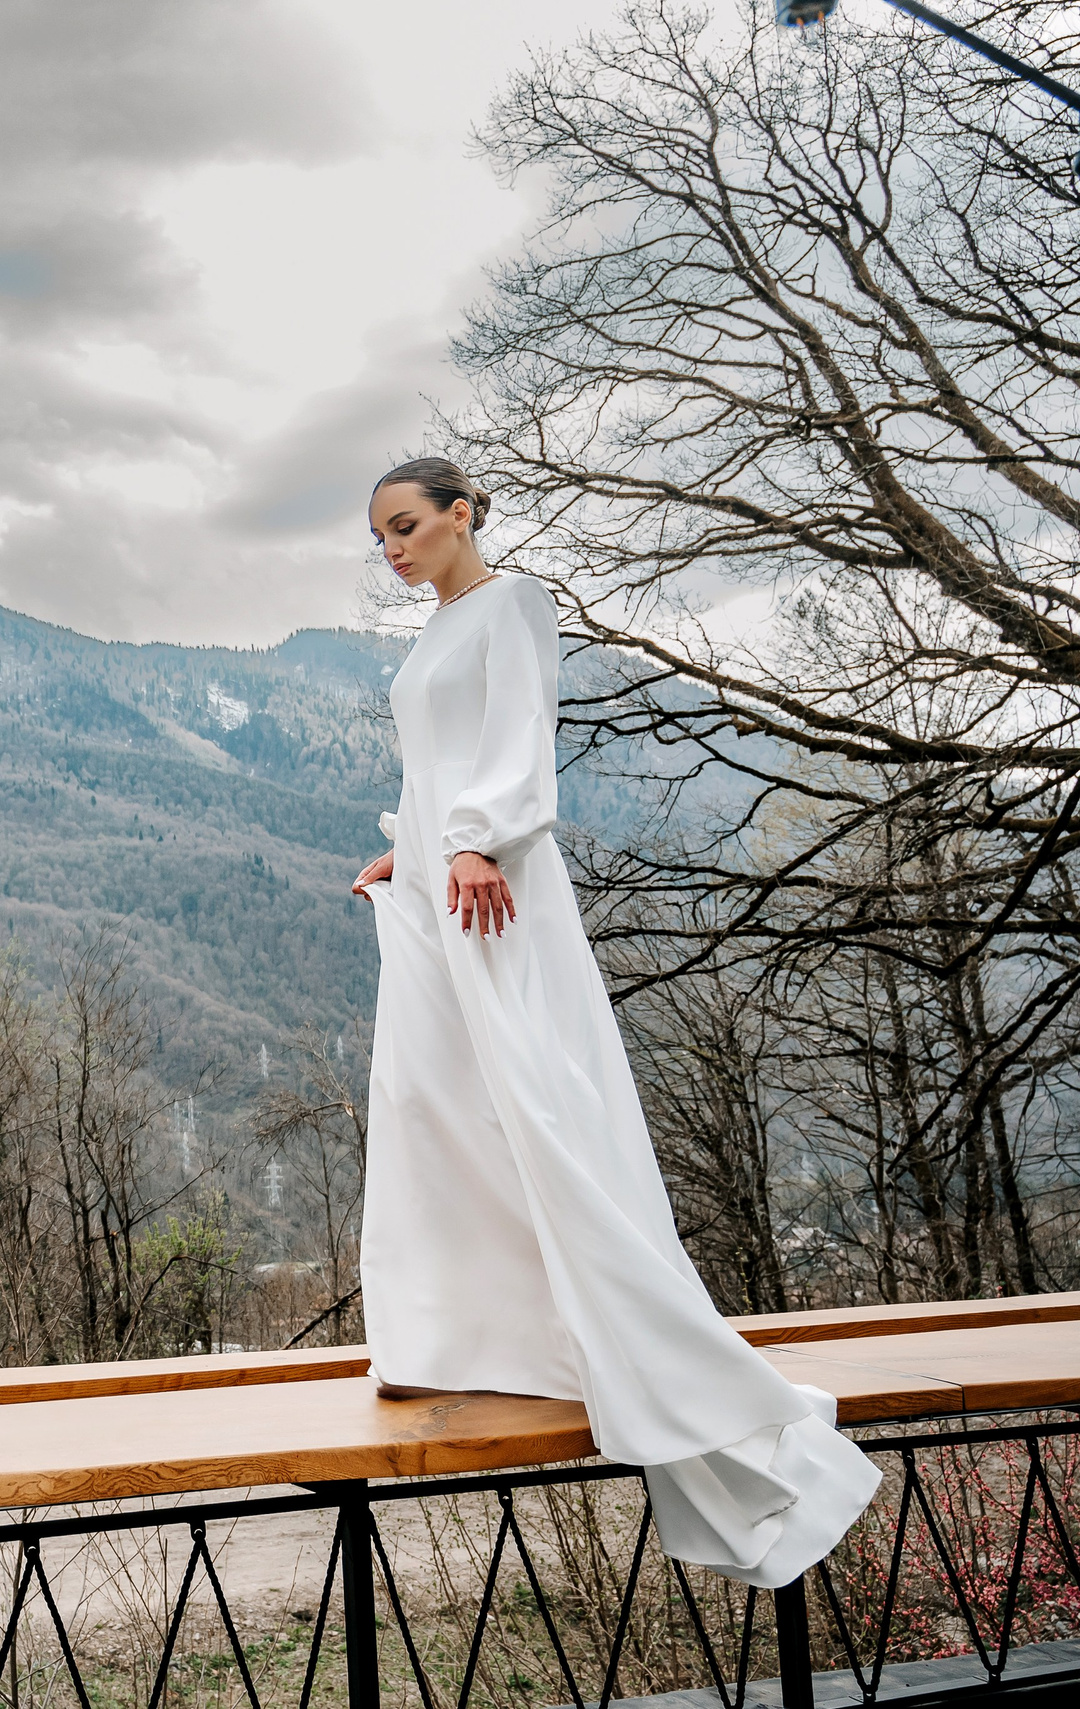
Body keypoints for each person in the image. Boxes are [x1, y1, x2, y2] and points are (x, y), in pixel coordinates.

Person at [349, 457, 879, 1588]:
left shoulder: (513, 606)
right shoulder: (430, 635)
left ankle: (644, 1359)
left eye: (407, 526)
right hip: (442, 883)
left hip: (494, 885)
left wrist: (481, 835)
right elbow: (442, 758)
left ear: (460, 515)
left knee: (531, 1102)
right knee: (429, 1096)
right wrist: (420, 838)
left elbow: (516, 740)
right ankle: (454, 1333)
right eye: (379, 535)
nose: (392, 548)